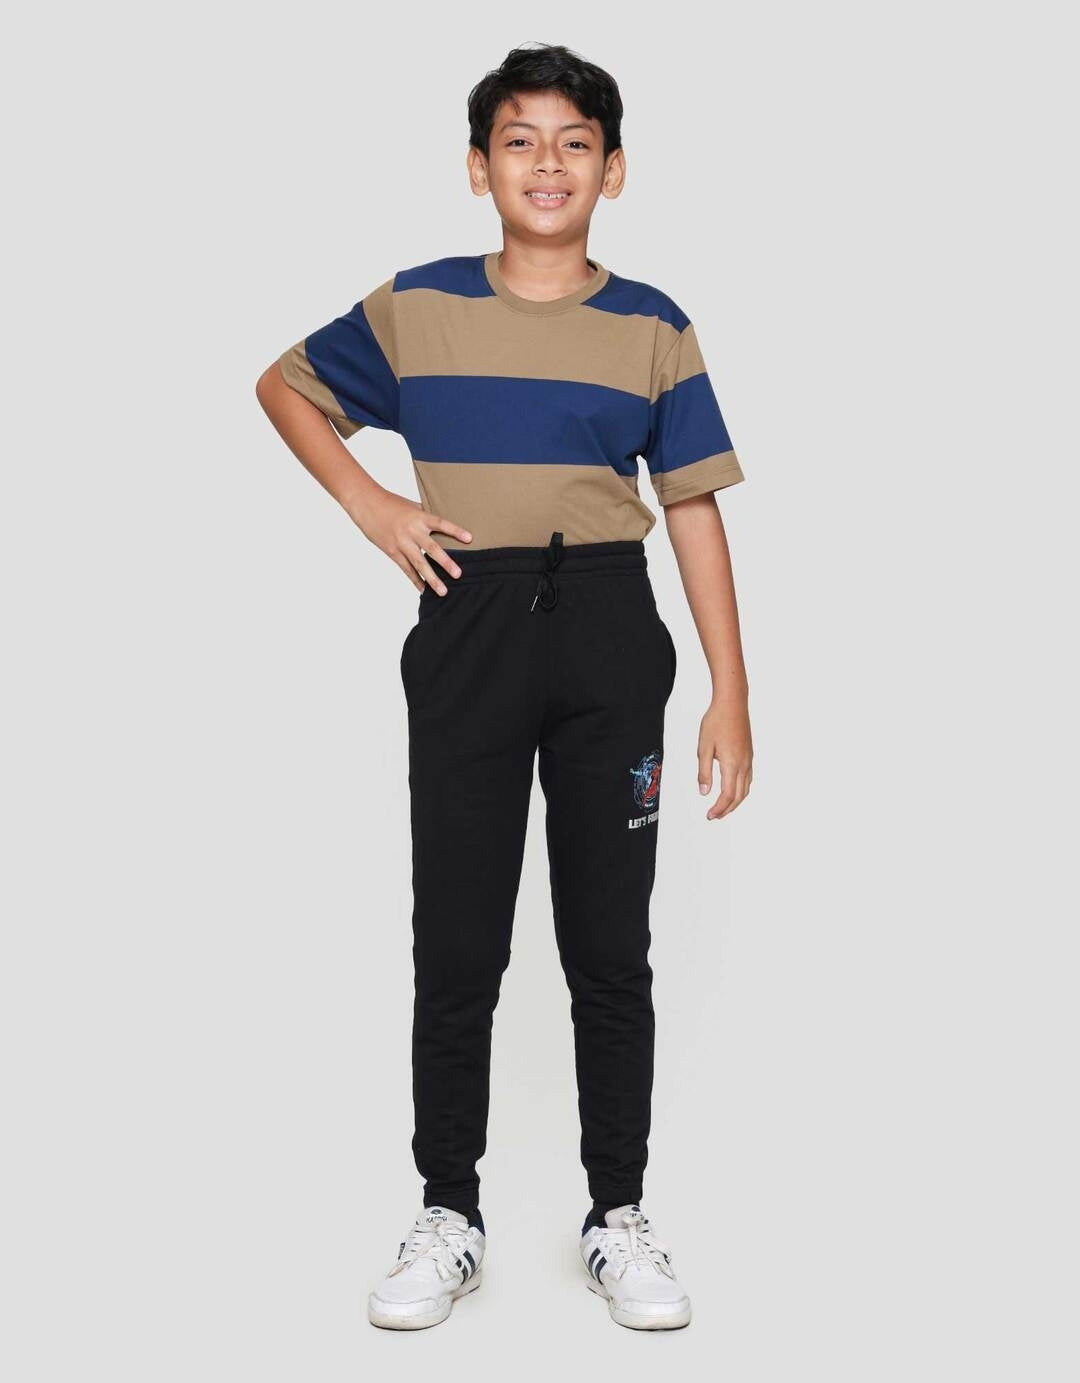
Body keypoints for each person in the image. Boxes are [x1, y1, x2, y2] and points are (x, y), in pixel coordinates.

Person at [256, 42, 753, 1333]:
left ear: (614, 170)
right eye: (519, 140)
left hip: (609, 632)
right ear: (478, 168)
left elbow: (692, 507)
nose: (547, 162)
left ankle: (618, 1214)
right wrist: (373, 505)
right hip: (468, 629)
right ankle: (448, 1212)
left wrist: (729, 690)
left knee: (610, 944)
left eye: (575, 142)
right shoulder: (418, 306)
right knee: (459, 937)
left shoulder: (654, 325)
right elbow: (285, 386)